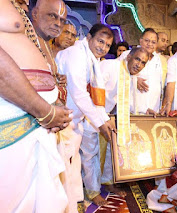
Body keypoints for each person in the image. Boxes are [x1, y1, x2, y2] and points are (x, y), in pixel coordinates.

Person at [0, 0, 72, 212]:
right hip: (18, 118)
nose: (58, 24)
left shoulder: (19, 7)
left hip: (37, 120)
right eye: (52, 17)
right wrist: (46, 112)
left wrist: (53, 101)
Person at [56, 24, 115, 207]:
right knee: (62, 166)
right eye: (100, 41)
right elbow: (79, 92)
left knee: (73, 164)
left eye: (107, 45)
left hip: (77, 118)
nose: (103, 47)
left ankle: (72, 201)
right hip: (63, 119)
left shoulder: (92, 59)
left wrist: (104, 119)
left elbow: (94, 96)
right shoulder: (76, 54)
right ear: (88, 38)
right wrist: (101, 123)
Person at [99, 47, 150, 185]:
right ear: (128, 57)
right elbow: (94, 91)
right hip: (92, 114)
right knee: (90, 154)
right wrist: (102, 116)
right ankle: (90, 190)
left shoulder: (130, 76)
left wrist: (146, 110)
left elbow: (128, 101)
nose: (139, 65)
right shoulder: (110, 66)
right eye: (137, 59)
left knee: (110, 150)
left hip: (108, 116)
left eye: (143, 62)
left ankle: (105, 183)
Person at [31, 0, 68, 104]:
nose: (58, 24)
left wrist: (57, 80)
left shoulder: (46, 41)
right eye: (52, 16)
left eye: (62, 20)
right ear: (35, 14)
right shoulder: (25, 38)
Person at [119, 28, 163, 115]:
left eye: (153, 42)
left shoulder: (160, 60)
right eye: (147, 40)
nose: (150, 44)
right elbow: (117, 74)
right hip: (131, 110)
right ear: (140, 40)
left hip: (153, 111)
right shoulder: (128, 54)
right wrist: (133, 78)